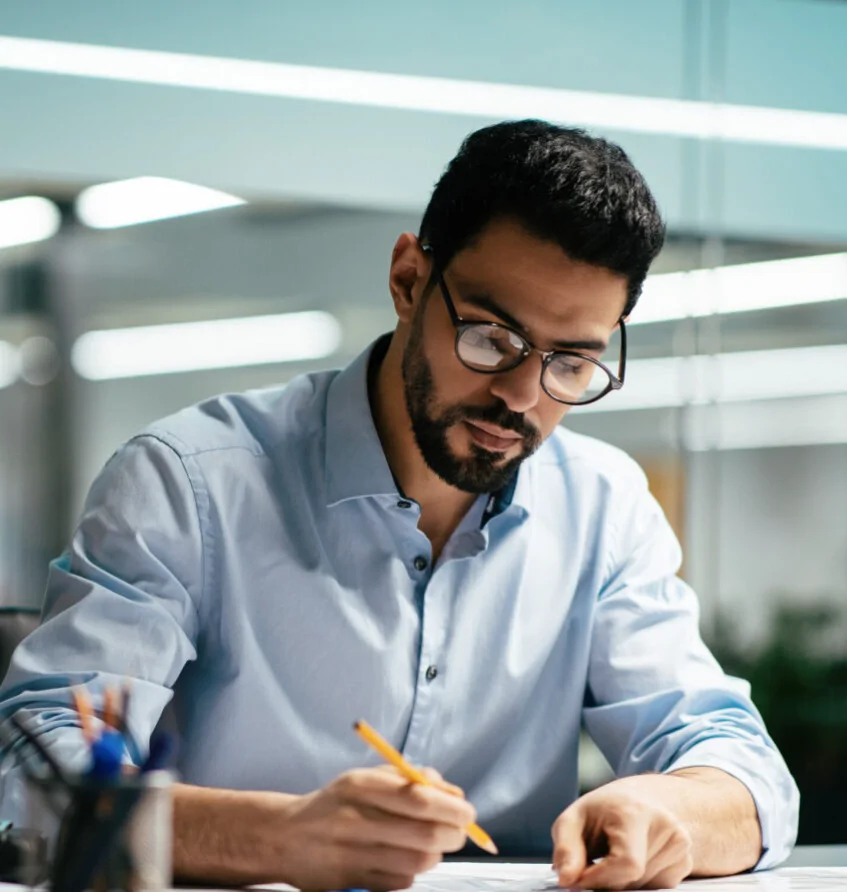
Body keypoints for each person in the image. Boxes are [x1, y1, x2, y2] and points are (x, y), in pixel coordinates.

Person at [0, 120, 797, 891]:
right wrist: (280, 840)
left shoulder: (603, 505)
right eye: (492, 338)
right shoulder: (189, 483)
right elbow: (30, 783)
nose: (521, 394)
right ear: (409, 280)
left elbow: (744, 773)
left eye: (571, 365)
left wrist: (669, 809)